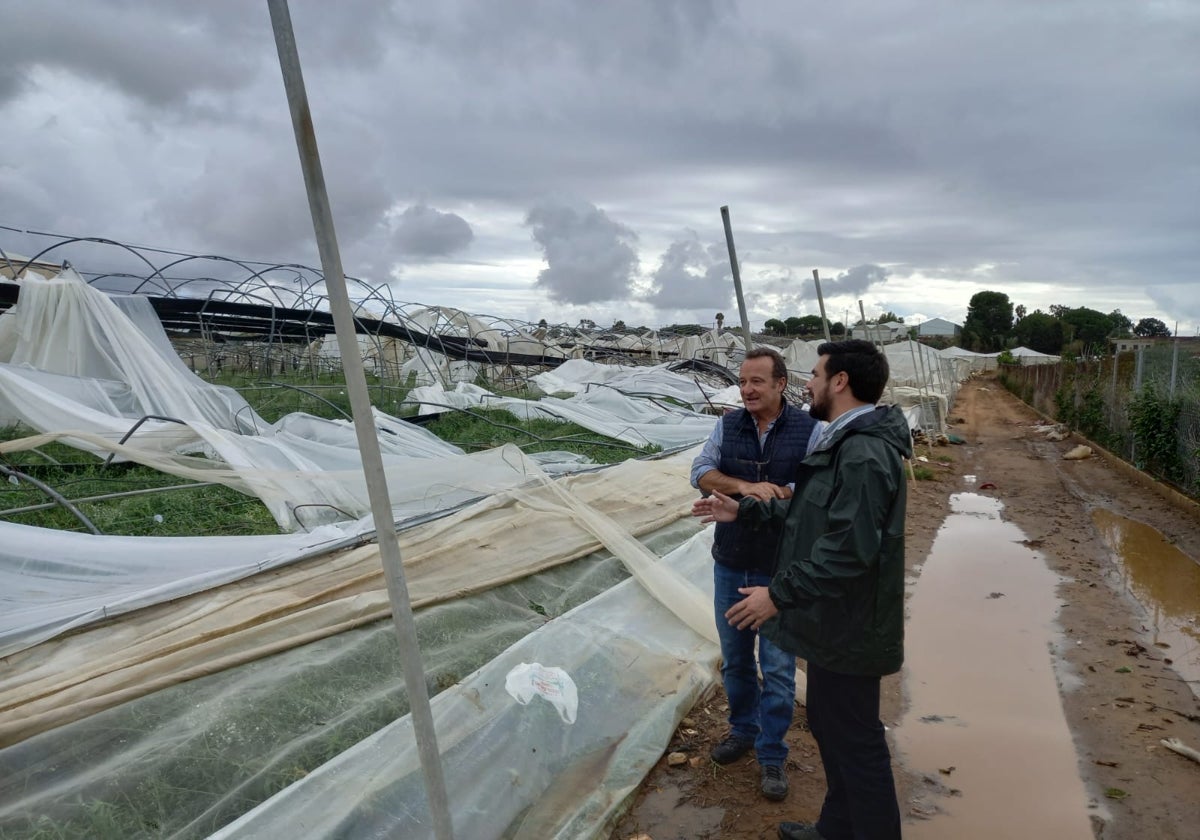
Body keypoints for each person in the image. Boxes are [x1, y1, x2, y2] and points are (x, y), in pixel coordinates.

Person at [694, 339, 910, 840]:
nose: (808, 382)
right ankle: (835, 828)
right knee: (833, 732)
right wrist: (744, 507)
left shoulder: (861, 452)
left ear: (840, 382)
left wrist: (777, 594)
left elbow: (846, 550)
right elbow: (811, 513)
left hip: (851, 625)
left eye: (814, 373)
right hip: (836, 621)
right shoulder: (845, 442)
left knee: (857, 744)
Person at [689, 347, 821, 801]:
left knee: (780, 668)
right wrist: (744, 486)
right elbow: (701, 471)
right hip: (732, 559)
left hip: (779, 567)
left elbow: (819, 488)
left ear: (781, 384)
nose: (747, 389)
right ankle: (743, 729)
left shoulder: (810, 430)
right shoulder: (728, 424)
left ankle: (771, 752)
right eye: (743, 381)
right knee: (738, 659)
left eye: (757, 382)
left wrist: (782, 491)